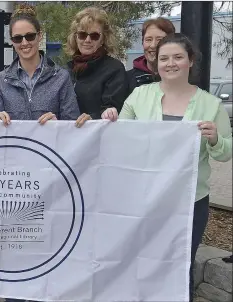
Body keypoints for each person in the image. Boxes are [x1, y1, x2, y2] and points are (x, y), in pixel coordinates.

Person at [99, 33, 232, 302]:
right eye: (164, 58)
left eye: (178, 57)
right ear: (155, 63)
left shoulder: (211, 104)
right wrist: (110, 117)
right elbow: (120, 139)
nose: (170, 63)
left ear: (190, 61)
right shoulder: (139, 95)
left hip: (190, 201)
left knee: (181, 266)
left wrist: (216, 139)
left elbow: (225, 154)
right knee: (140, 262)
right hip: (144, 199)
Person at [0, 4, 82, 128]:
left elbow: (73, 125)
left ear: (39, 36)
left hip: (50, 146)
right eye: (18, 38)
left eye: (30, 36)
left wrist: (58, 123)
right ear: (12, 41)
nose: (24, 43)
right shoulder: (1, 80)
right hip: (15, 146)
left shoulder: (61, 77)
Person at [65, 7, 129, 120]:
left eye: (94, 36)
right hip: (67, 134)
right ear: (75, 37)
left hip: (99, 134)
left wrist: (91, 119)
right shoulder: (66, 69)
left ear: (103, 39)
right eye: (82, 35)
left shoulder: (114, 69)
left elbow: (112, 108)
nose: (87, 40)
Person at [126, 17, 176, 93]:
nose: (153, 45)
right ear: (142, 43)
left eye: (159, 40)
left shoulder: (182, 77)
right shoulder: (126, 79)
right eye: (148, 39)